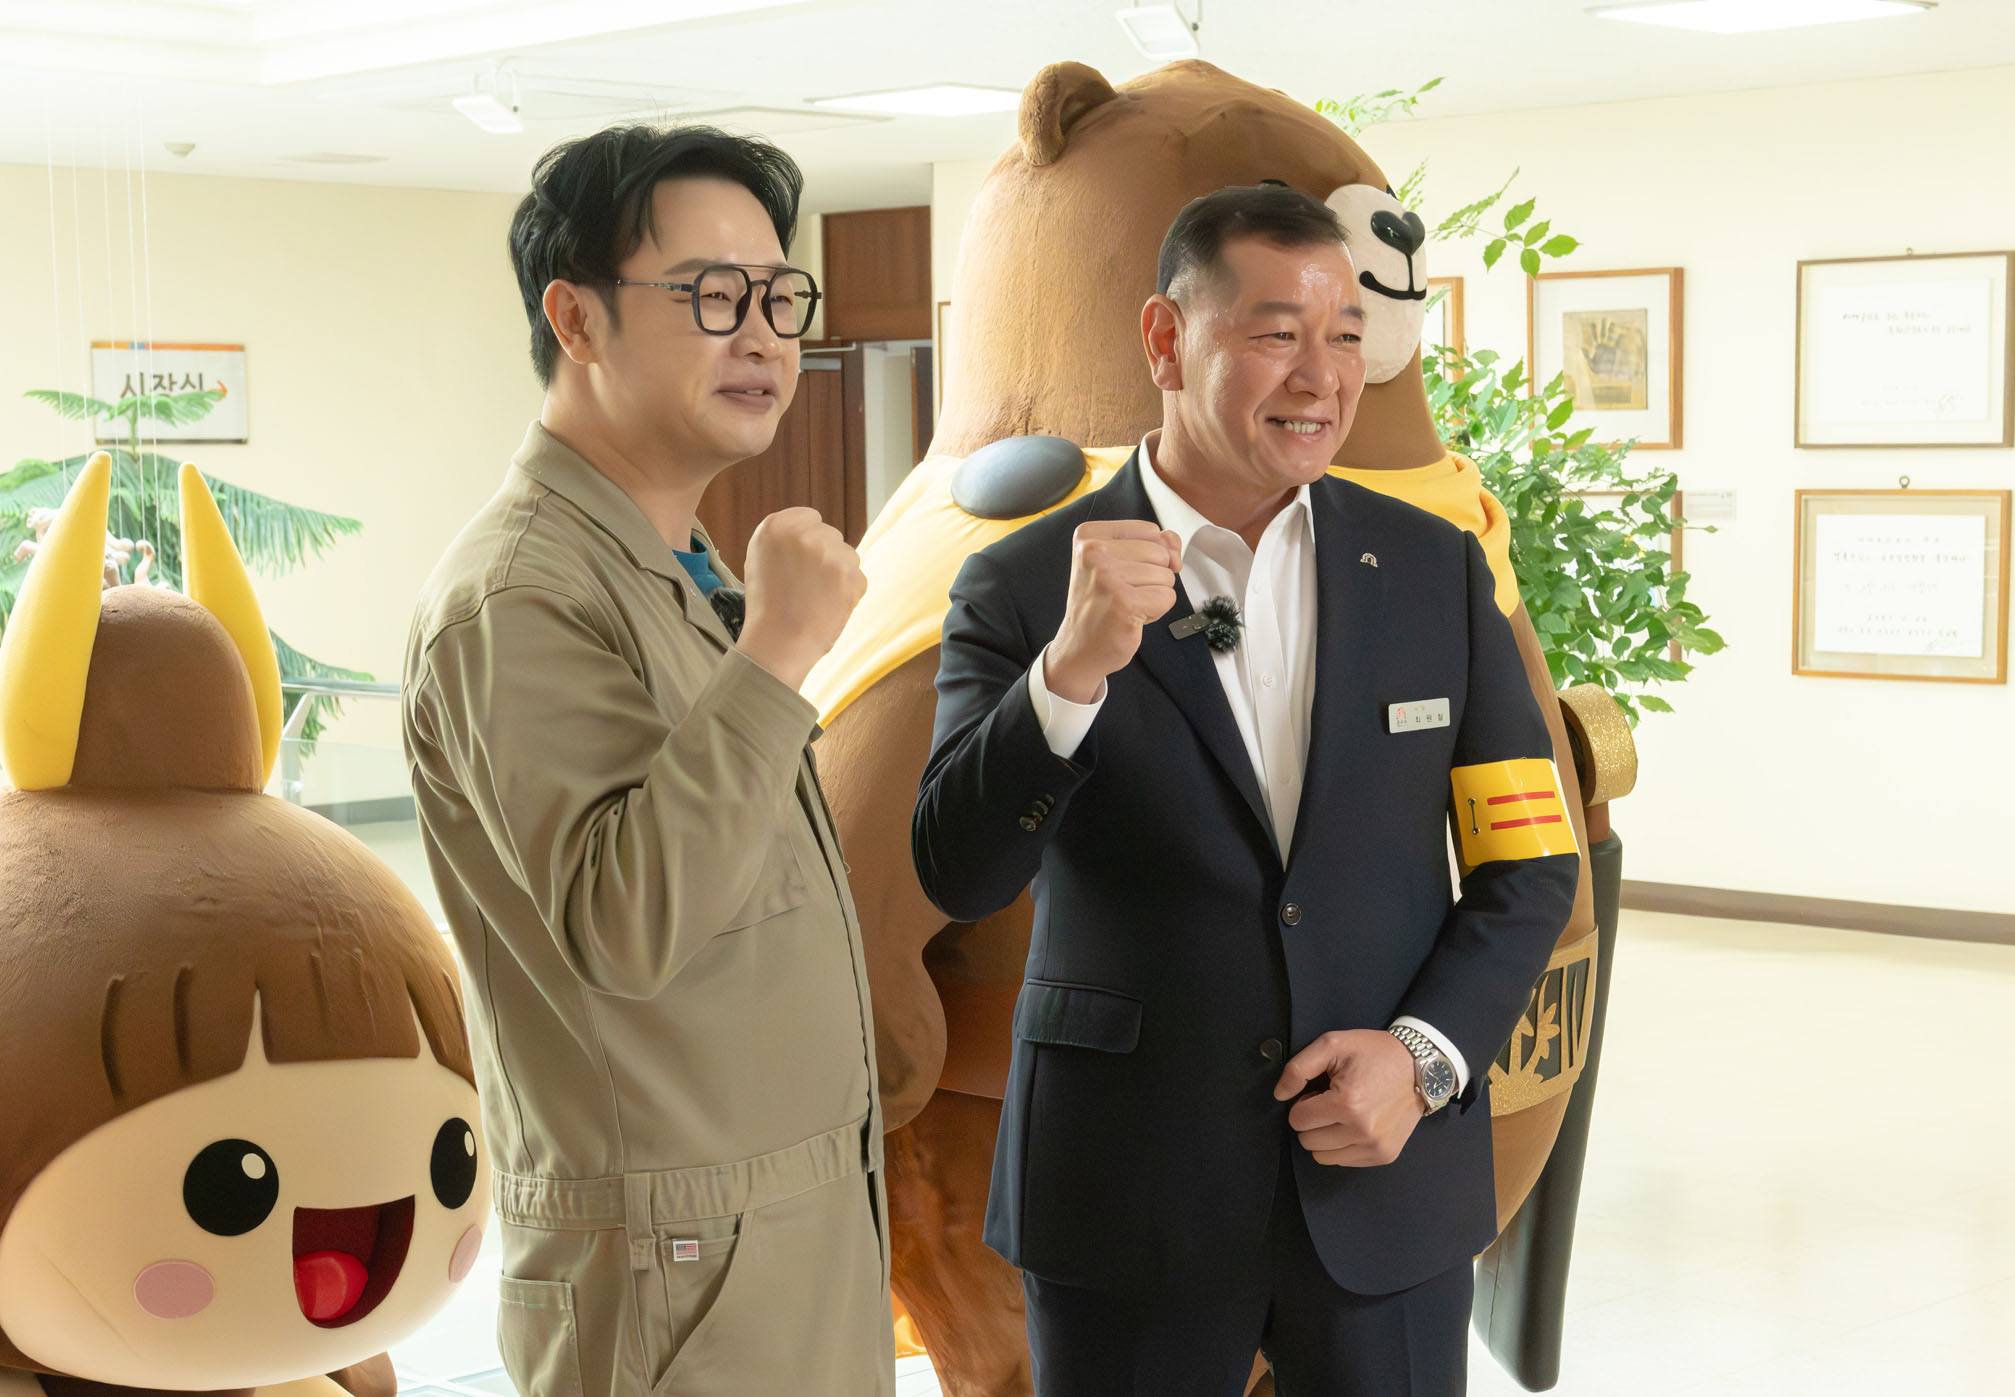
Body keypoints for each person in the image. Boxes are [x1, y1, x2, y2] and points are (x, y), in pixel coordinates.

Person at [911, 185, 1580, 1396]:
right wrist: (1069, 673)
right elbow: (959, 868)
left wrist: (1423, 1058)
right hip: (1125, 1195)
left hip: (1384, 1181)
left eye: (1346, 336)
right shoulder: (1021, 586)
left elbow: (1529, 859)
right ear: (1166, 340)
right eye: (1276, 333)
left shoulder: (1434, 569)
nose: (1321, 376)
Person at [401, 124, 890, 1397]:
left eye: (779, 297)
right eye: (715, 295)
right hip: (675, 1267)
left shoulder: (674, 559)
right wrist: (779, 648)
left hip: (781, 1229)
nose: (765, 337)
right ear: (577, 318)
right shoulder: (518, 594)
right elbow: (627, 922)